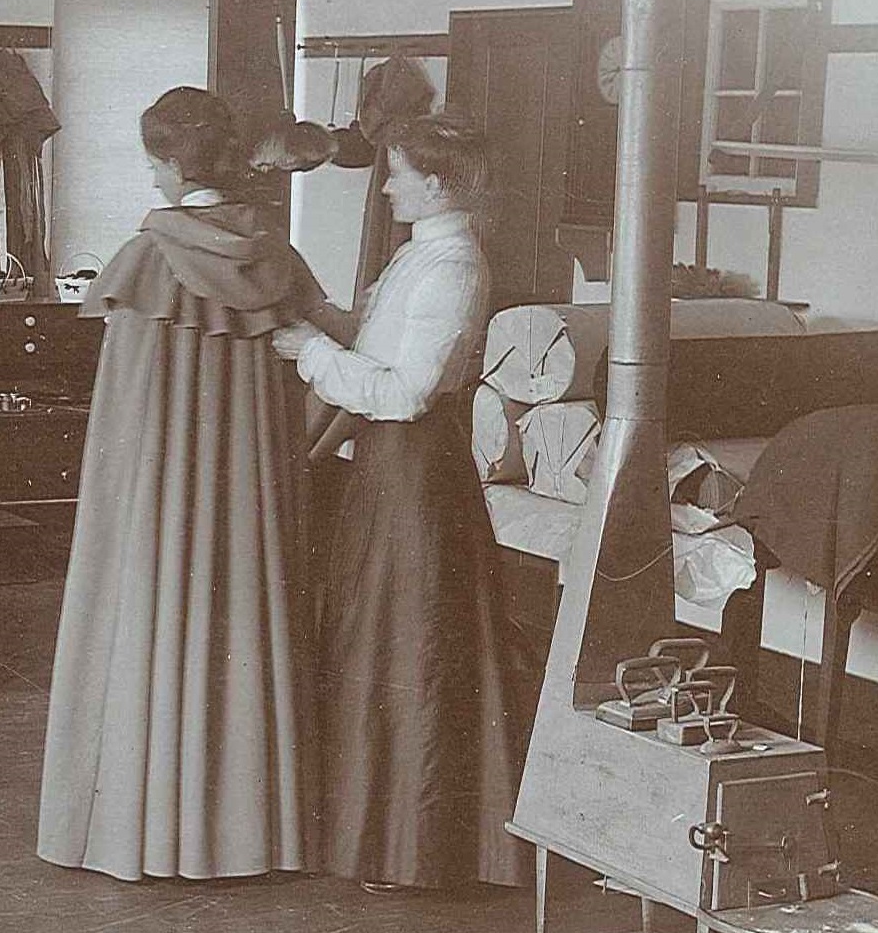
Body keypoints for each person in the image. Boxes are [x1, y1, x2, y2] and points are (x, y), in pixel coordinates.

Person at [36, 86, 325, 882]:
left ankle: (146, 825)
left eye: (153, 160)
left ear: (166, 161)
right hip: (250, 500)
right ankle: (251, 833)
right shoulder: (274, 254)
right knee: (243, 621)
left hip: (159, 499)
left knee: (148, 620)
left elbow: (124, 420)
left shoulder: (146, 260)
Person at [269, 111, 537, 892]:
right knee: (381, 637)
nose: (385, 186)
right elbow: (379, 346)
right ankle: (377, 836)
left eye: (397, 174)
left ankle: (418, 848)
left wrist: (312, 352)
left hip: (417, 470)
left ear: (438, 182)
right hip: (388, 470)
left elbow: (408, 392)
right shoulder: (420, 260)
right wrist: (318, 318)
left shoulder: (452, 267)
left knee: (411, 645)